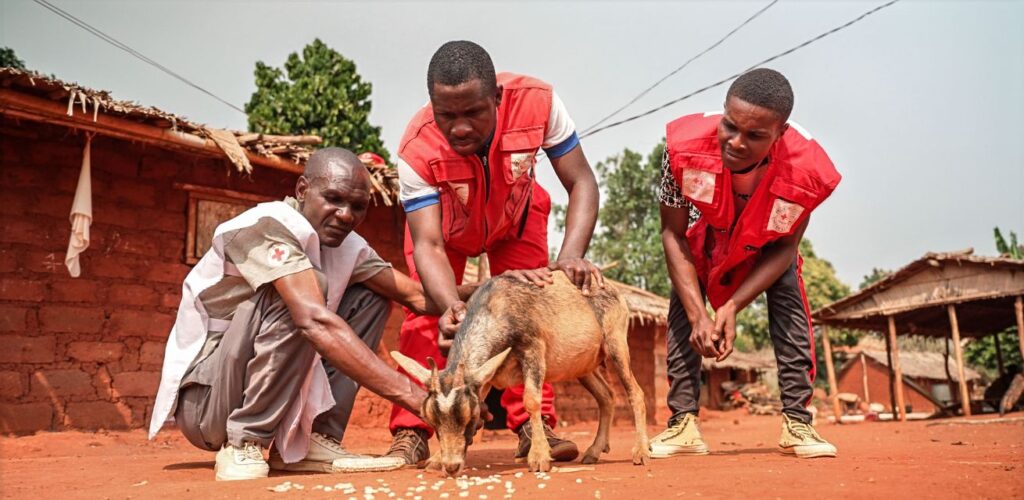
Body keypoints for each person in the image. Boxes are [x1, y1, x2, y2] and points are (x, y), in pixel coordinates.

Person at [148, 147, 474, 480]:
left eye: (358, 206)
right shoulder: (267, 225)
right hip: (209, 405)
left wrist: (495, 290)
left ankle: (314, 439)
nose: (345, 215)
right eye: (333, 199)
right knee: (304, 297)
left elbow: (417, 296)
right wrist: (425, 402)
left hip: (260, 391)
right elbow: (313, 320)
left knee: (372, 297)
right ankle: (244, 441)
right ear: (302, 189)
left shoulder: (347, 246)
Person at [385, 40, 603, 466]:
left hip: (516, 220)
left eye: (473, 113)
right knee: (425, 316)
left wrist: (571, 255)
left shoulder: (539, 104)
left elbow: (582, 182)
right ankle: (413, 430)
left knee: (528, 317)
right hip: (445, 234)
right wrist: (450, 305)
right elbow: (428, 243)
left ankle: (533, 425)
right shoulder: (416, 149)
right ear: (432, 106)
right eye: (447, 116)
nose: (460, 128)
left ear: (498, 98)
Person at [653, 68, 841, 459]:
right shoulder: (679, 150)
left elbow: (786, 247)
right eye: (730, 126)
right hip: (706, 238)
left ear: (780, 133)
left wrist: (733, 306)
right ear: (723, 112)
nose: (736, 143)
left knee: (788, 289)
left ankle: (798, 421)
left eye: (754, 135)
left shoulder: (808, 171)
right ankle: (682, 425)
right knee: (684, 298)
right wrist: (700, 315)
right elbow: (672, 234)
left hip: (765, 246)